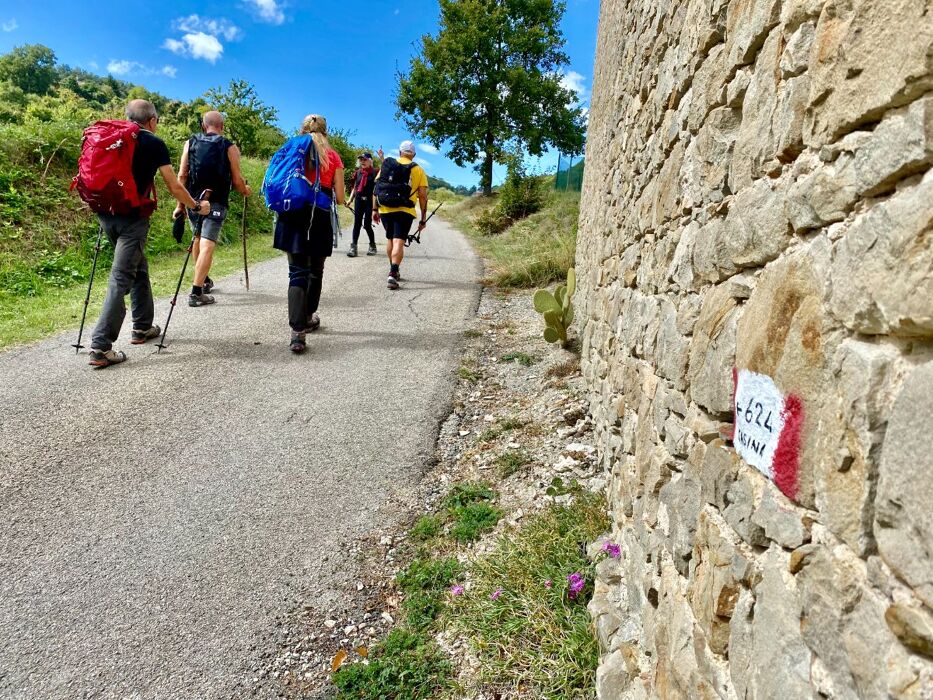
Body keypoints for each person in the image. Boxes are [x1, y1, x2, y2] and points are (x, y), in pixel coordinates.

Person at [88, 99, 211, 368]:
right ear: (152, 120)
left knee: (138, 267)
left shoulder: (110, 137)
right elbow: (174, 185)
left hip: (105, 214)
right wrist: (195, 206)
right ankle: (100, 346)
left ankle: (142, 326)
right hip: (133, 218)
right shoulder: (153, 143)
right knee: (121, 277)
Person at [272, 114, 345, 353]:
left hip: (291, 212)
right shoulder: (333, 156)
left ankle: (297, 333)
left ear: (302, 129)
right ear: (325, 131)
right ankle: (308, 316)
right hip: (319, 215)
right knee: (316, 270)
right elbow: (340, 198)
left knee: (297, 272)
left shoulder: (290, 149)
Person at [174, 111, 252, 306]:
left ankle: (204, 281)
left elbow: (182, 175)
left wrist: (180, 204)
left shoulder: (190, 142)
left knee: (197, 239)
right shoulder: (229, 146)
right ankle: (196, 292)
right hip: (216, 202)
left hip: (193, 201)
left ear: (203, 125)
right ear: (222, 126)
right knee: (207, 244)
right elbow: (237, 180)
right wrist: (246, 190)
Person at [373, 141, 429, 290]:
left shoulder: (387, 165)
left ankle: (393, 269)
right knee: (399, 240)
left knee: (390, 239)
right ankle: (393, 272)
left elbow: (377, 188)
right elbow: (423, 196)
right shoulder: (418, 169)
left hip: (385, 209)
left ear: (399, 152)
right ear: (414, 154)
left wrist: (374, 209)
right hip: (405, 210)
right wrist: (423, 218)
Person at [346, 152, 378, 257]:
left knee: (367, 225)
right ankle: (353, 247)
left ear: (370, 161)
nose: (362, 162)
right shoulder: (358, 172)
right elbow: (355, 187)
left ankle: (372, 245)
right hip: (359, 200)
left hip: (369, 201)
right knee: (357, 224)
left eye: (365, 159)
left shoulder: (375, 172)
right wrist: (350, 200)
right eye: (361, 160)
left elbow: (376, 190)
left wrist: (375, 207)